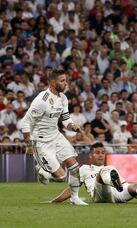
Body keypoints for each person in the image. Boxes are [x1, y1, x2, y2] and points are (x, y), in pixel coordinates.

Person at [20, 69, 87, 205]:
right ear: (52, 83)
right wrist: (28, 146)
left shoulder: (63, 98)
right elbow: (25, 122)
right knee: (61, 176)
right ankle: (41, 170)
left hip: (56, 136)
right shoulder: (41, 100)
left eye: (66, 80)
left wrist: (73, 126)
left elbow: (66, 119)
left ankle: (74, 198)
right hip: (41, 142)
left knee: (74, 167)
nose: (66, 83)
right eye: (62, 81)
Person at [50, 142, 137, 204]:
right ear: (90, 156)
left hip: (115, 194)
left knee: (134, 186)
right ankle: (113, 183)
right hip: (98, 195)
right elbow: (72, 189)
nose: (100, 155)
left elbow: (131, 191)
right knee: (105, 170)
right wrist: (54, 201)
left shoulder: (111, 168)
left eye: (102, 152)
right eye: (97, 153)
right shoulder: (84, 169)